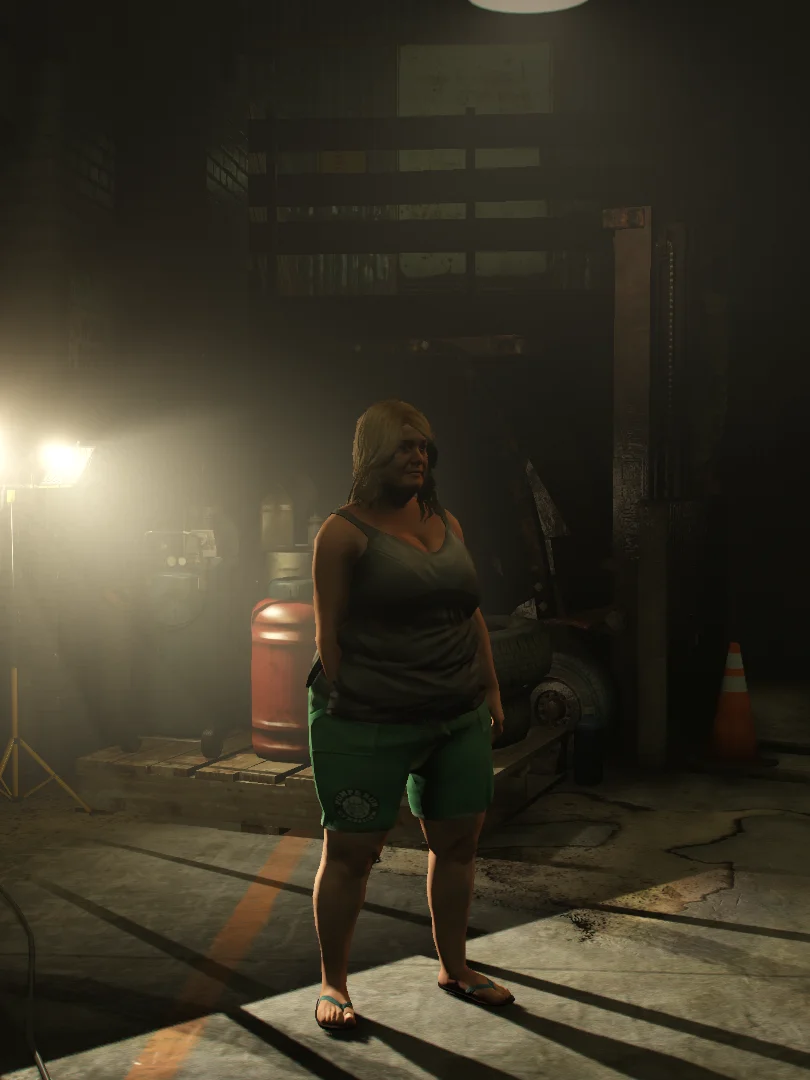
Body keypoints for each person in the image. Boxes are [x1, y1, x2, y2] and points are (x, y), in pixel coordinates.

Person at [308, 399, 515, 1034]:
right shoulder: (342, 533)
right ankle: (333, 983)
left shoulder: (445, 521)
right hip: (369, 719)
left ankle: (454, 967)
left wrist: (491, 688)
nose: (418, 456)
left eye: (424, 446)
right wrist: (362, 705)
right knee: (351, 854)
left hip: (455, 713)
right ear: (373, 454)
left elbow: (469, 615)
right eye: (404, 446)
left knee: (457, 845)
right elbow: (328, 638)